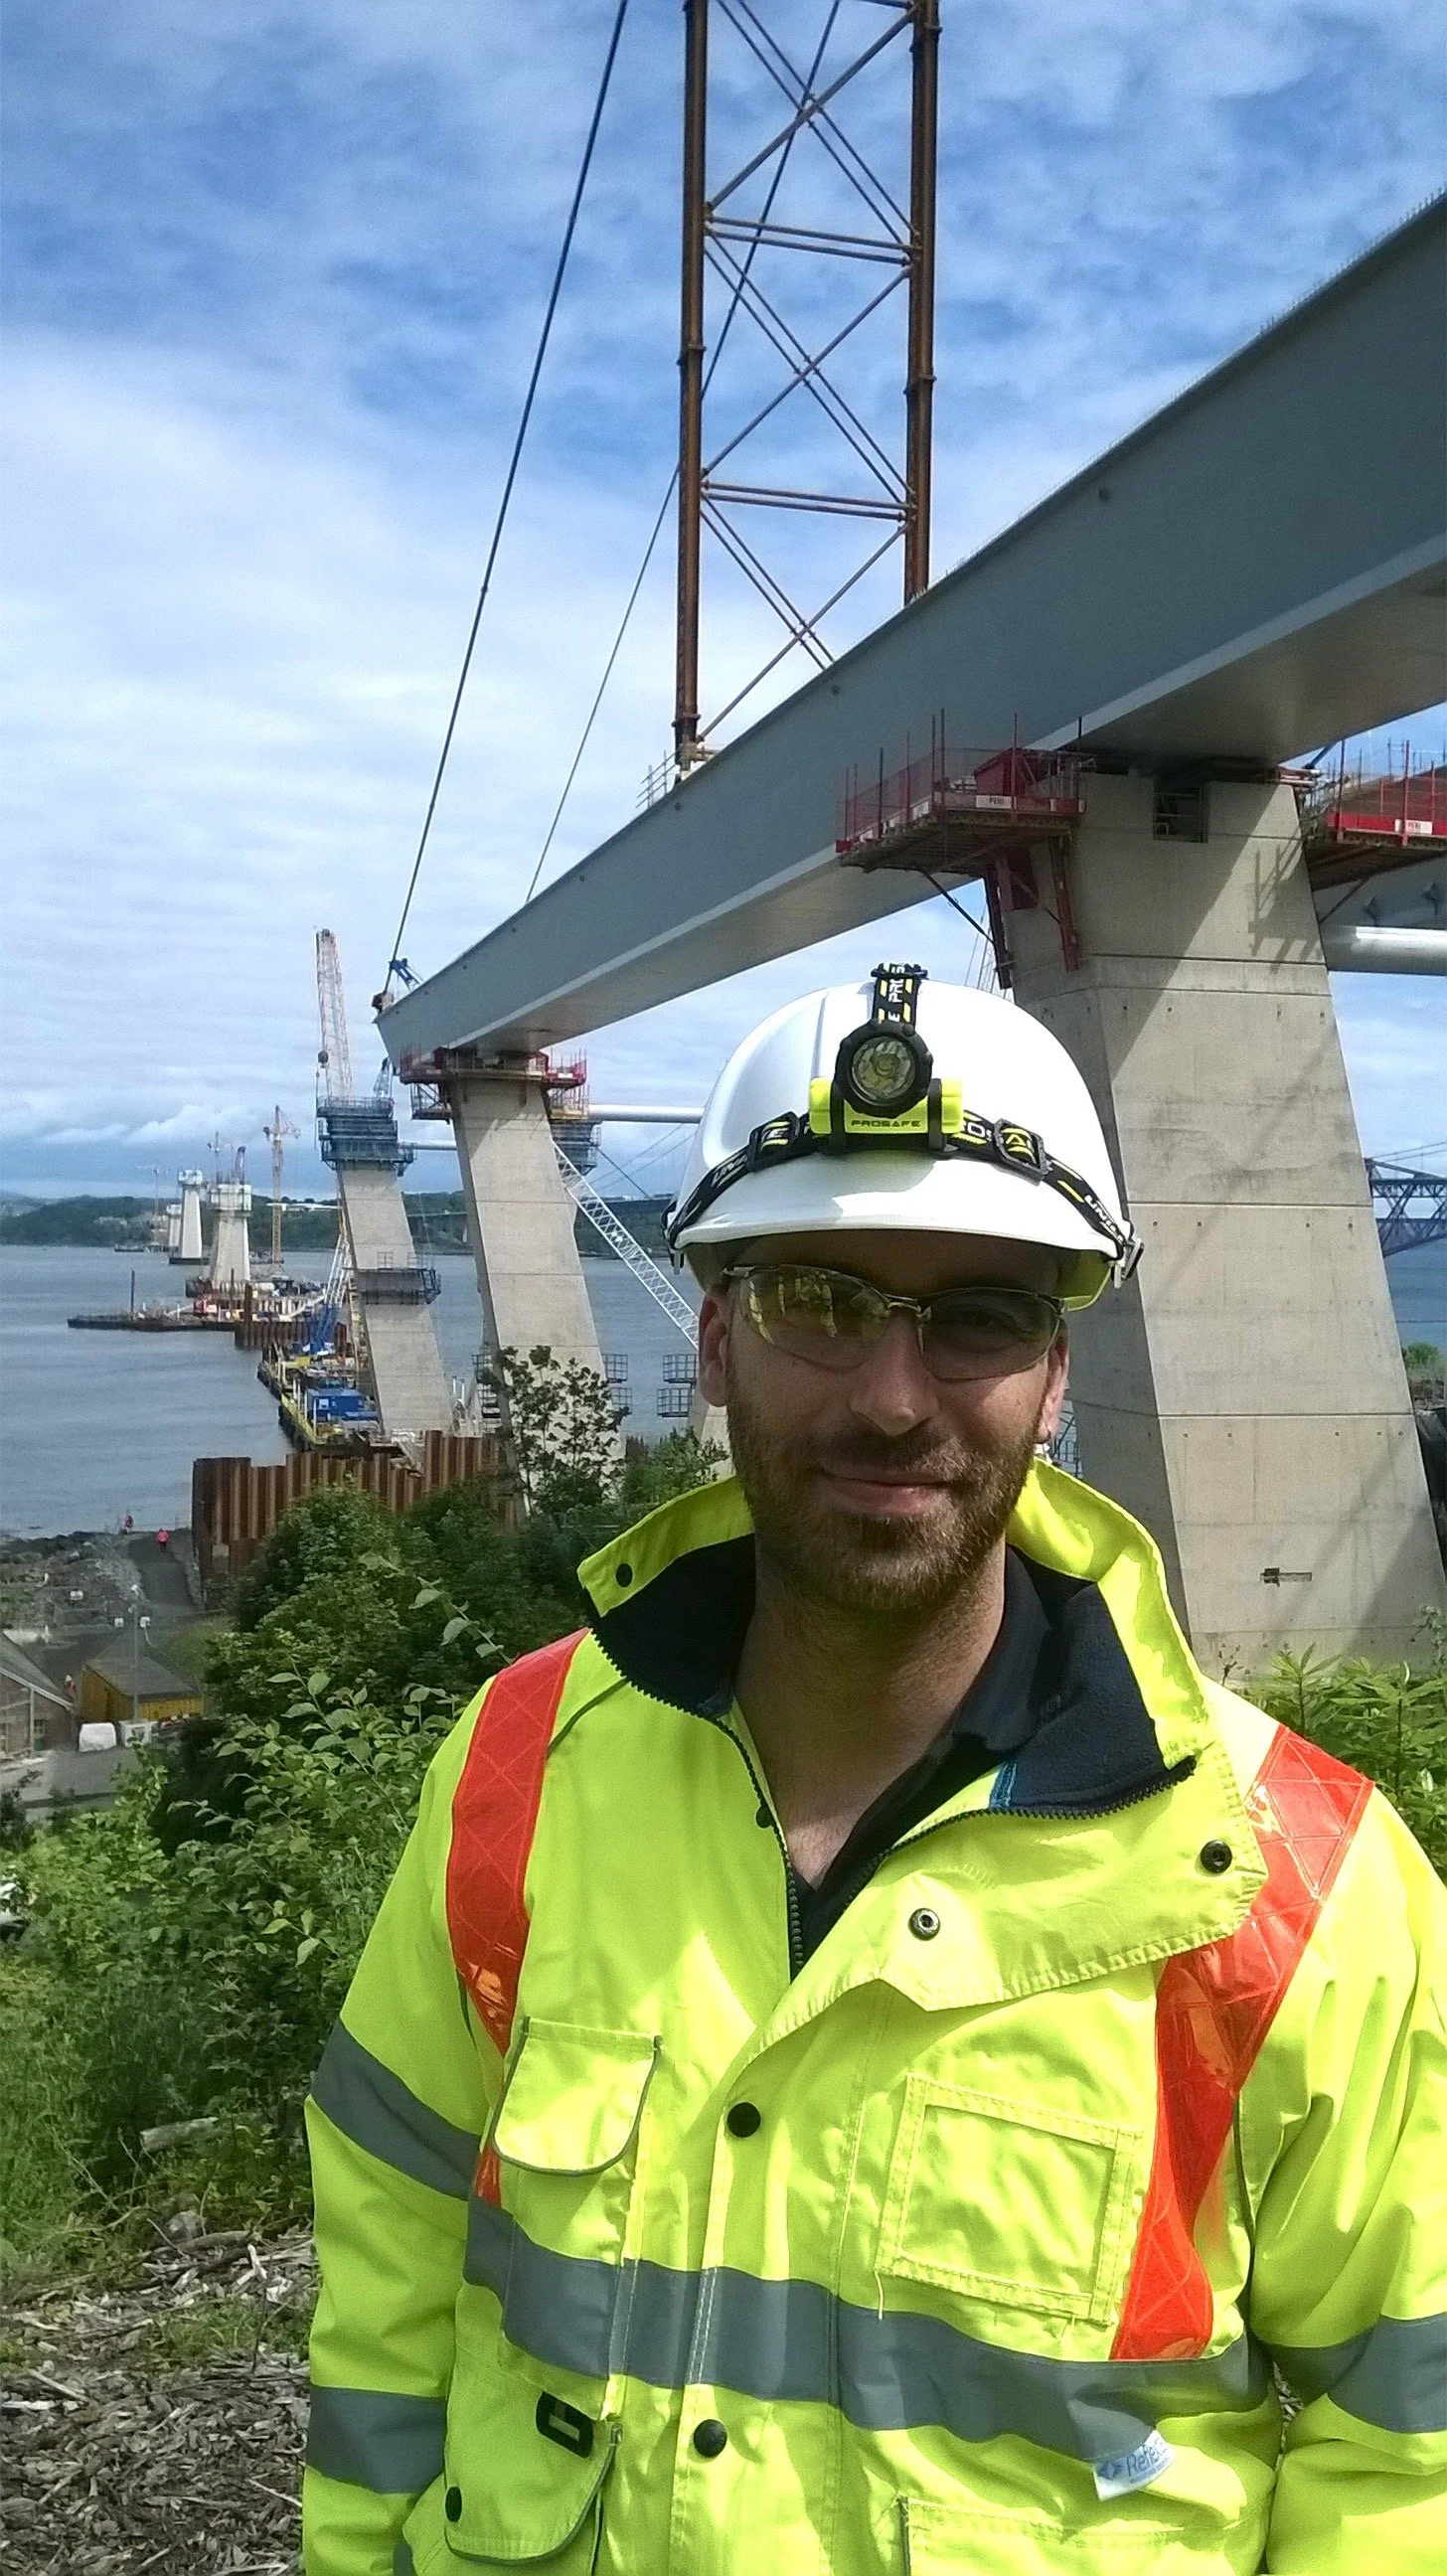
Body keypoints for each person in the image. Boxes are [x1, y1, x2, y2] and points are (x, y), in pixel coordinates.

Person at [303, 968, 1445, 2576]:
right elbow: (388, 2299)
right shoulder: (517, 1775)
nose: (895, 1400)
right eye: (820, 1304)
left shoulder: (1298, 1887)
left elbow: (1408, 2461)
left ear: (1055, 1375)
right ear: (717, 1340)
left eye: (979, 1315)